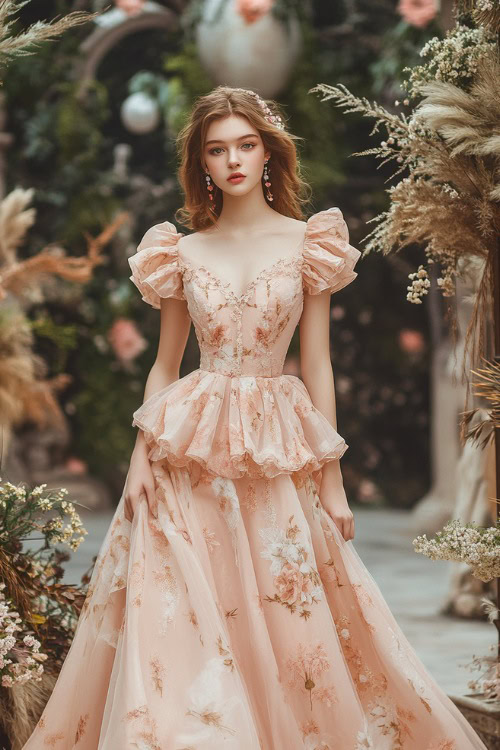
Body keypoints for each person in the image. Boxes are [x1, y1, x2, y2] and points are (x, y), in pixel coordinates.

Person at [22, 86, 487, 750]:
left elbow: (317, 364)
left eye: (245, 145)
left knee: (283, 611)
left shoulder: (309, 244)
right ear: (201, 164)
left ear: (268, 153)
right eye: (217, 150)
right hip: (187, 448)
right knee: (180, 615)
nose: (233, 160)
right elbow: (164, 365)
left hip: (276, 444)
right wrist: (137, 463)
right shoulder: (178, 253)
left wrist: (332, 480)